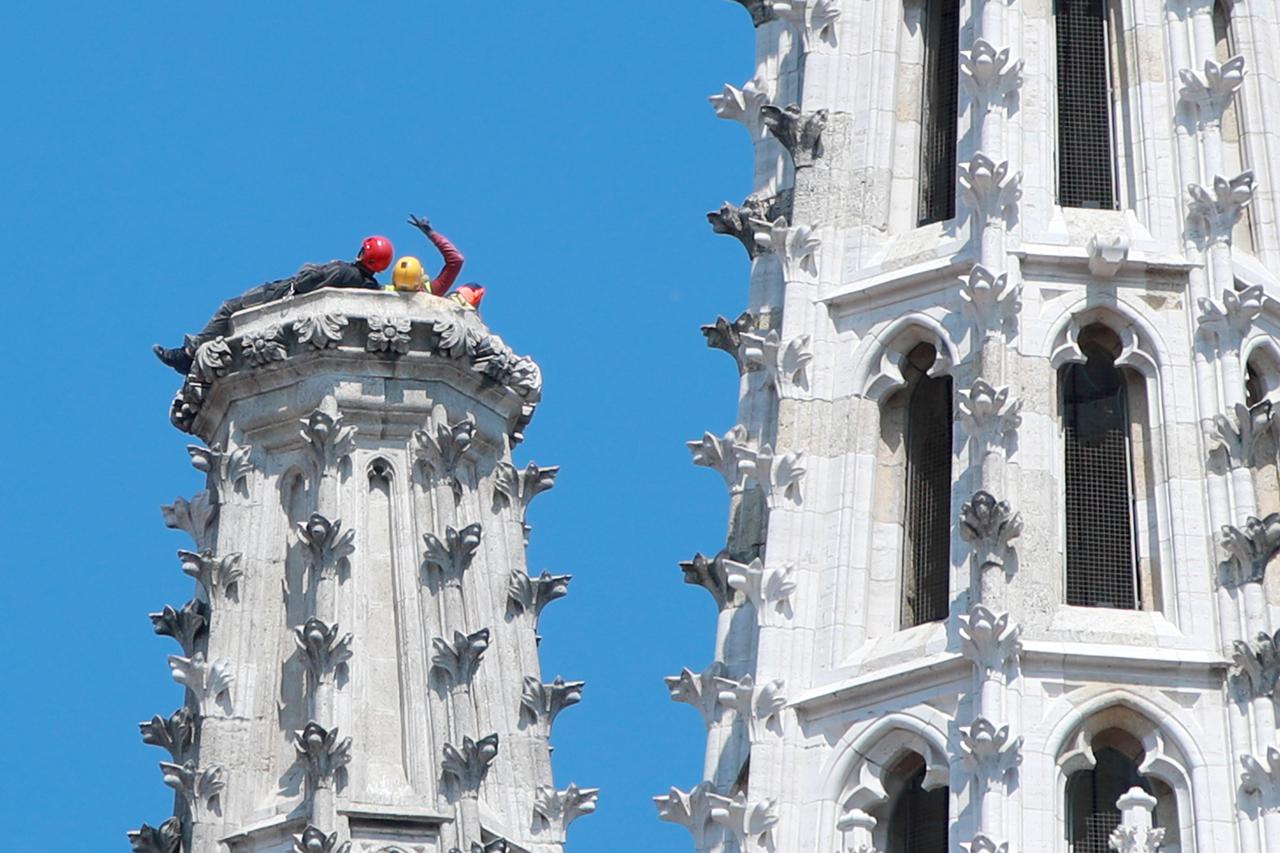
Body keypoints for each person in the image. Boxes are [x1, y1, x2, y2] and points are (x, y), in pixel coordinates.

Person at [152, 214, 464, 373]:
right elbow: (455, 262)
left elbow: (307, 279)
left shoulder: (351, 275)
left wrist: (429, 231)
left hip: (282, 295)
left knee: (229, 309)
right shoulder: (397, 293)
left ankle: (191, 353)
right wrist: (431, 234)